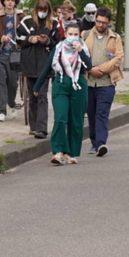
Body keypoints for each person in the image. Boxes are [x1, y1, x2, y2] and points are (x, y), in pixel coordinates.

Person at [34, 22, 91, 165]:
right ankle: (58, 151)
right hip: (60, 84)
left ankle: (71, 152)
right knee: (60, 117)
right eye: (70, 34)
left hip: (78, 85)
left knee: (76, 120)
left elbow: (88, 66)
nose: (73, 37)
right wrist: (37, 86)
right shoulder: (58, 48)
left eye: (75, 35)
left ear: (79, 36)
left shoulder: (83, 48)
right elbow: (47, 67)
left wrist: (80, 51)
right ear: (65, 34)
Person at [83, 7, 123, 156]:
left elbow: (118, 58)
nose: (100, 25)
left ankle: (101, 144)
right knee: (91, 113)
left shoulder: (115, 37)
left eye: (104, 23)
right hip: (88, 81)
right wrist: (90, 68)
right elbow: (79, 55)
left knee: (102, 113)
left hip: (106, 82)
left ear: (108, 23)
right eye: (98, 22)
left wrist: (101, 69)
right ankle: (94, 141)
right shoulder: (85, 35)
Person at [17, 0, 57, 139]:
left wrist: (48, 41)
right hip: (29, 63)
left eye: (45, 10)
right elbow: (18, 39)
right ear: (36, 9)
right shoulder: (26, 22)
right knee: (32, 97)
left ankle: (42, 128)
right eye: (40, 9)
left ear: (48, 10)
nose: (42, 12)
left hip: (45, 65)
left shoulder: (54, 24)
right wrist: (30, 39)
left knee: (42, 96)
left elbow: (58, 43)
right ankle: (33, 127)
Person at [0, 0, 24, 122]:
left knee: (13, 83)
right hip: (0, 53)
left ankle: (12, 103)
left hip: (15, 54)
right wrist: (1, 38)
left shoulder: (21, 16)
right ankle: (2, 110)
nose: (10, 2)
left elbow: (26, 31)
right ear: (4, 1)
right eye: (7, 0)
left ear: (15, 2)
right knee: (0, 82)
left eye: (12, 0)